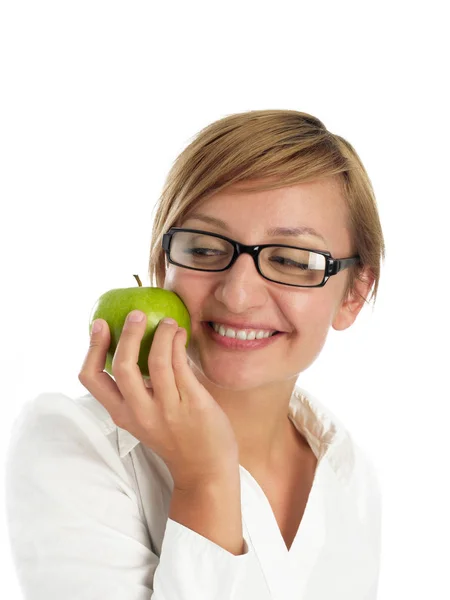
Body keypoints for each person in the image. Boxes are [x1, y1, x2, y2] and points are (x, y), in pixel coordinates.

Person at [5, 109, 384, 599]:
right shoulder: (76, 445)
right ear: (163, 262)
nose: (238, 295)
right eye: (204, 249)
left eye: (292, 260)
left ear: (353, 294)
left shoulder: (348, 475)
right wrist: (205, 480)